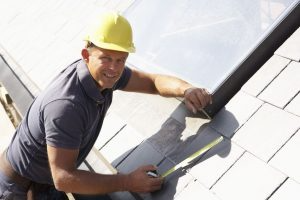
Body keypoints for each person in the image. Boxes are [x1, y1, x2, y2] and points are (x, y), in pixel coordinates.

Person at [0, 11, 212, 199]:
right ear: (86, 55)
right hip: (16, 189)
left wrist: (186, 89)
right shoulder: (66, 106)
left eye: (121, 60)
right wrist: (127, 182)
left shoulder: (104, 75)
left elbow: (151, 82)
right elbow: (64, 178)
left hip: (43, 182)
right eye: (106, 58)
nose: (114, 68)